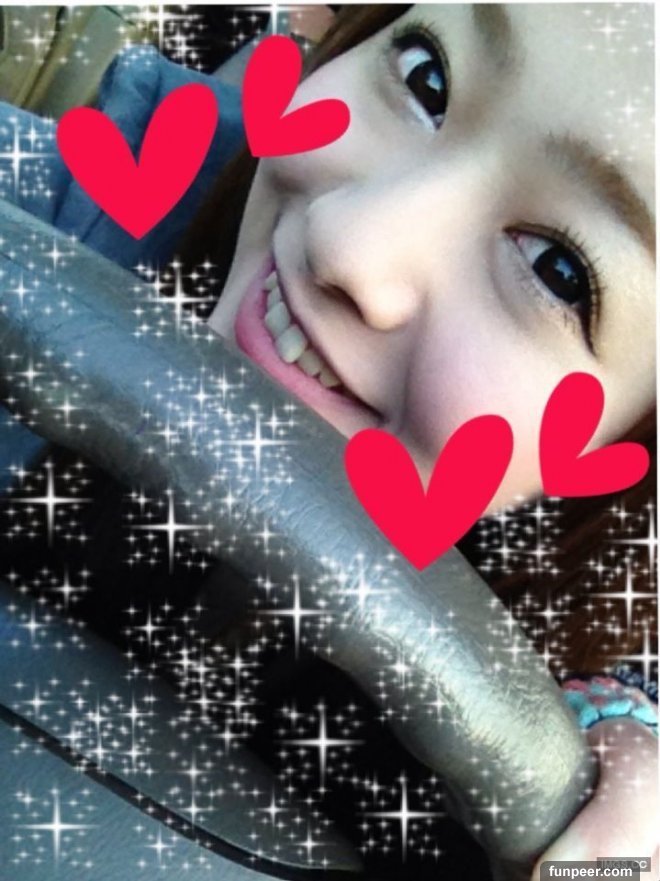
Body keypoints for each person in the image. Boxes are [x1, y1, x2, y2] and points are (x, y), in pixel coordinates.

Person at [0, 4, 656, 878]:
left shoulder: (598, 638)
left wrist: (612, 734)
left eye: (558, 271)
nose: (349, 243)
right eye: (426, 78)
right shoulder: (98, 197)